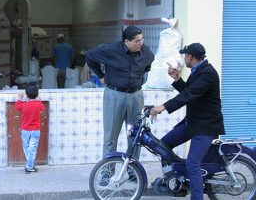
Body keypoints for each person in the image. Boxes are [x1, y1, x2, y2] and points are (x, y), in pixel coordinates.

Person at [150, 43, 225, 200]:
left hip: (205, 126)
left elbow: (188, 95)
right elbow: (189, 92)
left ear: (190, 56)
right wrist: (177, 79)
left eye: (185, 56)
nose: (184, 58)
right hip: (193, 123)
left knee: (192, 163)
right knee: (163, 146)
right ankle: (177, 182)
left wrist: (163, 107)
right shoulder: (197, 71)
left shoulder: (208, 73)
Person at [85, 25, 155, 160]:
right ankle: (107, 171)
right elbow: (89, 56)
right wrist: (101, 76)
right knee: (111, 136)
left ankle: (133, 170)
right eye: (136, 41)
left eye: (141, 40)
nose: (140, 44)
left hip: (136, 96)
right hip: (115, 95)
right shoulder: (111, 50)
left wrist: (139, 78)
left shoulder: (145, 52)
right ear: (126, 41)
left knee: (135, 135)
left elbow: (148, 66)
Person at [15, 83, 45, 174]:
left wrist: (20, 98)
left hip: (25, 130)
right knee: (32, 149)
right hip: (35, 130)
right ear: (37, 95)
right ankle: (30, 166)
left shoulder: (24, 105)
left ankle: (29, 166)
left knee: (27, 147)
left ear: (26, 95)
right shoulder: (38, 104)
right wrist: (38, 99)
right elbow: (42, 108)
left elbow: (17, 107)